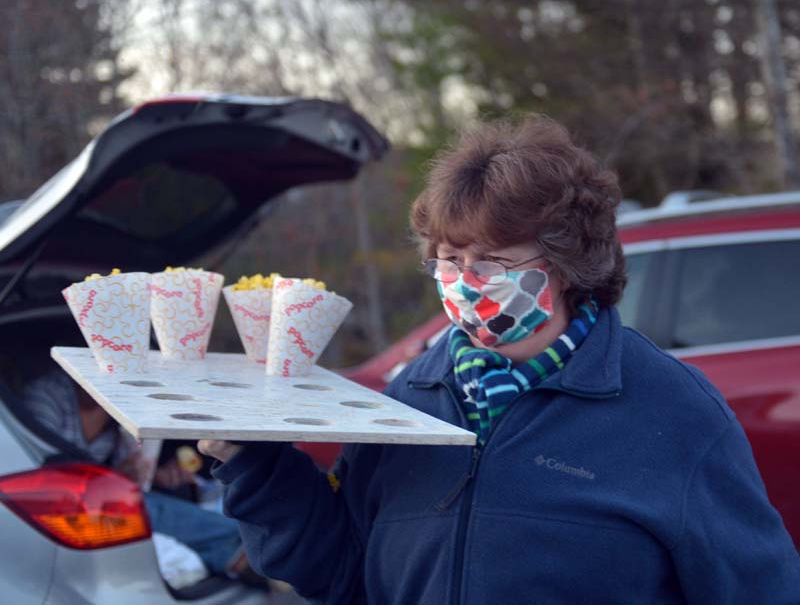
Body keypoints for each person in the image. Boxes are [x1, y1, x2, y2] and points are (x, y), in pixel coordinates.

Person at [199, 115, 800, 604]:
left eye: (491, 262)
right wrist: (256, 465)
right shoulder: (412, 398)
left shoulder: (673, 413)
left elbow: (759, 589)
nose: (465, 282)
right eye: (449, 260)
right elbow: (343, 572)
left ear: (564, 264)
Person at [22, 369, 247, 580]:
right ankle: (237, 555)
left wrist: (152, 476)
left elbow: (124, 475)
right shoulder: (48, 395)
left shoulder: (119, 409)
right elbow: (42, 466)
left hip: (102, 497)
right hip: (58, 503)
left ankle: (234, 555)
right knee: (215, 531)